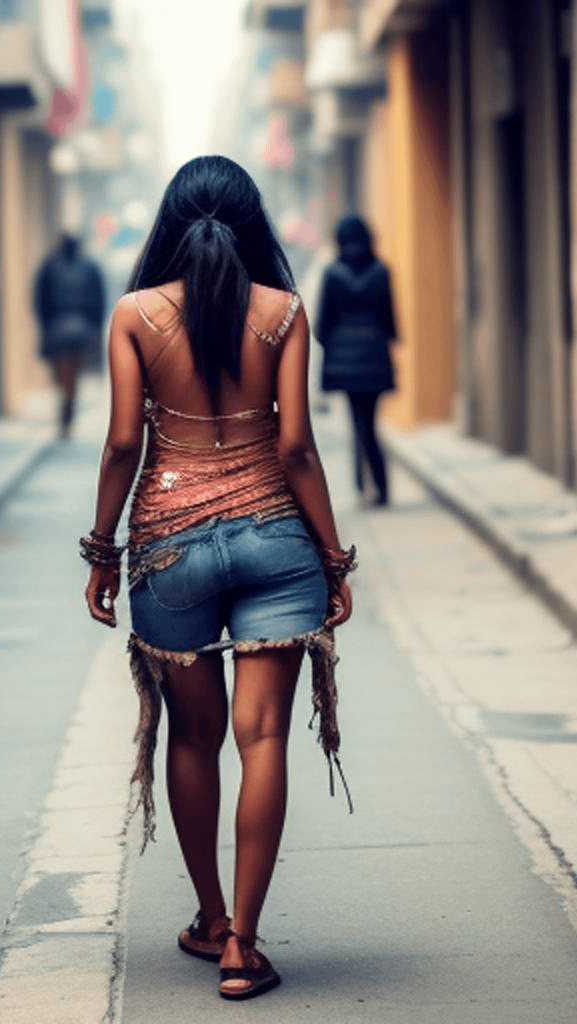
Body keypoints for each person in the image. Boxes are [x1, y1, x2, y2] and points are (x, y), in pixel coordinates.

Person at [80, 156, 355, 1001]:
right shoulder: (283, 312)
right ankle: (244, 944)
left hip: (168, 551)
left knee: (192, 739)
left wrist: (101, 549)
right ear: (253, 221)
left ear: (169, 220)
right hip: (278, 541)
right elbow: (297, 448)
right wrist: (334, 559)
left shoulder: (132, 314)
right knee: (262, 738)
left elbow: (125, 443)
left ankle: (208, 918)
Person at [315, 215, 398, 506]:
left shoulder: (332, 273)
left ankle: (362, 486)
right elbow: (389, 320)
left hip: (346, 360)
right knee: (370, 423)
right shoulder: (381, 271)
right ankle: (381, 487)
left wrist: (335, 348)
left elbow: (323, 323)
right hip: (374, 355)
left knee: (358, 422)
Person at [34, 233, 106, 438]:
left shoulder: (50, 265)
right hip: (80, 331)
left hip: (57, 329)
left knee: (63, 374)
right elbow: (99, 301)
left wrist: (45, 324)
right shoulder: (89, 267)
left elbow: (39, 299)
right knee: (70, 375)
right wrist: (94, 328)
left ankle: (65, 412)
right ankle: (66, 411)